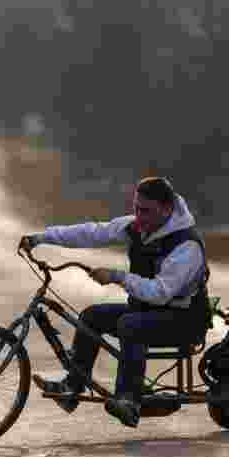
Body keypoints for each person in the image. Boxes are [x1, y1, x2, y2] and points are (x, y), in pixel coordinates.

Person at [19, 176, 210, 428]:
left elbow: (161, 292)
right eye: (136, 208)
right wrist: (42, 237)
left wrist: (117, 277)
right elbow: (92, 232)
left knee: (131, 324)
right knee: (91, 316)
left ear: (167, 209)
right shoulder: (137, 228)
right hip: (148, 312)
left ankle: (129, 401)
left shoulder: (186, 246)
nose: (138, 217)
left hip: (184, 320)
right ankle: (71, 389)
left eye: (146, 211)